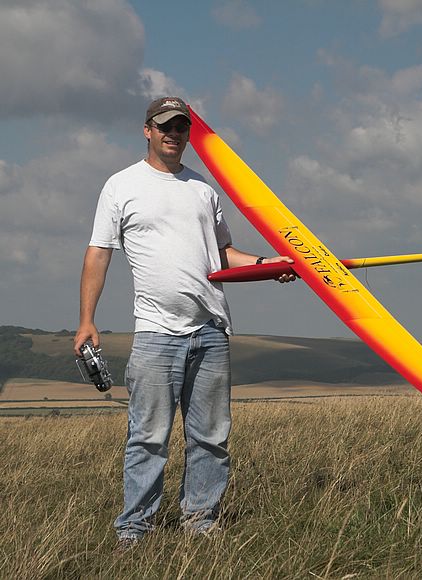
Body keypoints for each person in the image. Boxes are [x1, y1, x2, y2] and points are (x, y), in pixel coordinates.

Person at [74, 96, 295, 548]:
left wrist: (266, 263)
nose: (174, 134)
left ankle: (201, 522)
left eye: (181, 127)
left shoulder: (203, 189)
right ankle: (134, 530)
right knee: (148, 438)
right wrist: (86, 320)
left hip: (210, 331)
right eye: (165, 126)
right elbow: (99, 252)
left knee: (212, 438)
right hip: (156, 334)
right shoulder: (121, 186)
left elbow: (222, 255)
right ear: (147, 130)